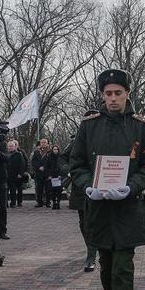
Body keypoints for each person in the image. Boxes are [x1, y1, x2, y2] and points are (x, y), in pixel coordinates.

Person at [70, 68, 145, 290]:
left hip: (128, 209)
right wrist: (87, 187)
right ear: (101, 96)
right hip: (99, 209)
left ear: (127, 94)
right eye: (108, 94)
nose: (113, 99)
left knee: (123, 271)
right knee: (107, 270)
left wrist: (131, 187)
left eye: (118, 93)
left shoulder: (142, 127)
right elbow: (77, 164)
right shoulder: (88, 127)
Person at [60, 113, 100, 272]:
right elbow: (63, 159)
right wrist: (70, 171)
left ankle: (92, 254)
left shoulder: (104, 137)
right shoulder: (76, 141)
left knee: (95, 222)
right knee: (84, 222)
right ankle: (91, 250)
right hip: (81, 187)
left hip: (100, 186)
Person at [6, 140, 26, 208]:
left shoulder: (19, 154)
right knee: (5, 190)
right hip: (6, 175)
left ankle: (13, 203)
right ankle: (5, 203)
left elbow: (22, 164)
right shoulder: (5, 154)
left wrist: (20, 173)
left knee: (13, 190)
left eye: (12, 146)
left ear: (15, 147)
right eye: (9, 146)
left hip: (15, 175)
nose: (10, 147)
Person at [31, 138, 51, 207]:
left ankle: (48, 202)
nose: (43, 143)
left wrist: (44, 167)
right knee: (39, 189)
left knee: (48, 189)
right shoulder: (36, 152)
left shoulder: (50, 152)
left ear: (47, 143)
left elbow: (52, 163)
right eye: (42, 142)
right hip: (38, 173)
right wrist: (39, 167)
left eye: (45, 142)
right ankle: (39, 202)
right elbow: (33, 161)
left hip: (47, 173)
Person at [44, 145, 63, 209]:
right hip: (52, 176)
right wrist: (48, 175)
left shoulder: (61, 157)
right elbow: (46, 167)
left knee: (59, 191)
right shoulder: (49, 157)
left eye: (57, 149)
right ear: (52, 150)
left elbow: (63, 167)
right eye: (54, 149)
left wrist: (61, 174)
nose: (55, 150)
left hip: (59, 176)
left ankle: (58, 203)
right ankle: (54, 202)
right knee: (53, 191)